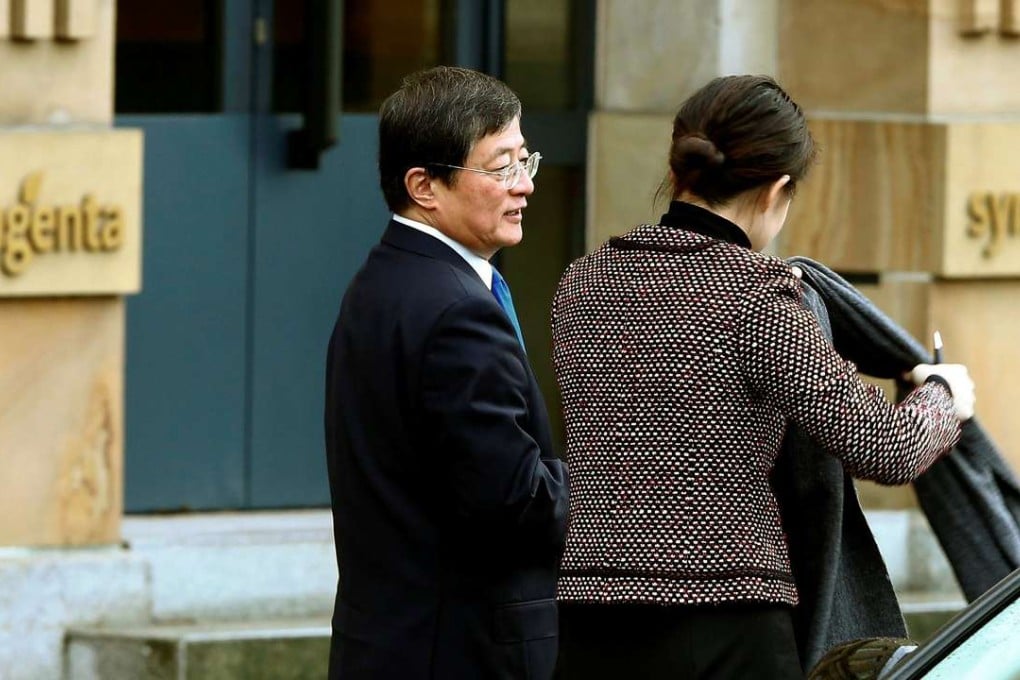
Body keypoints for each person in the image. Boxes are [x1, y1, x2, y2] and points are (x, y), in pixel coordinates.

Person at [550, 74, 975, 679]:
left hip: (589, 620)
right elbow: (886, 447)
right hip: (726, 619)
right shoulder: (758, 296)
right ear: (778, 190)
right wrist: (943, 396)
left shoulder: (583, 283)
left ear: (678, 173)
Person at [323, 66, 568, 679]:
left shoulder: (385, 279)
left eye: (524, 160)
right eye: (500, 167)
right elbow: (515, 504)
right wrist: (616, 478)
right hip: (460, 652)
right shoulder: (457, 309)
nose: (524, 187)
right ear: (424, 185)